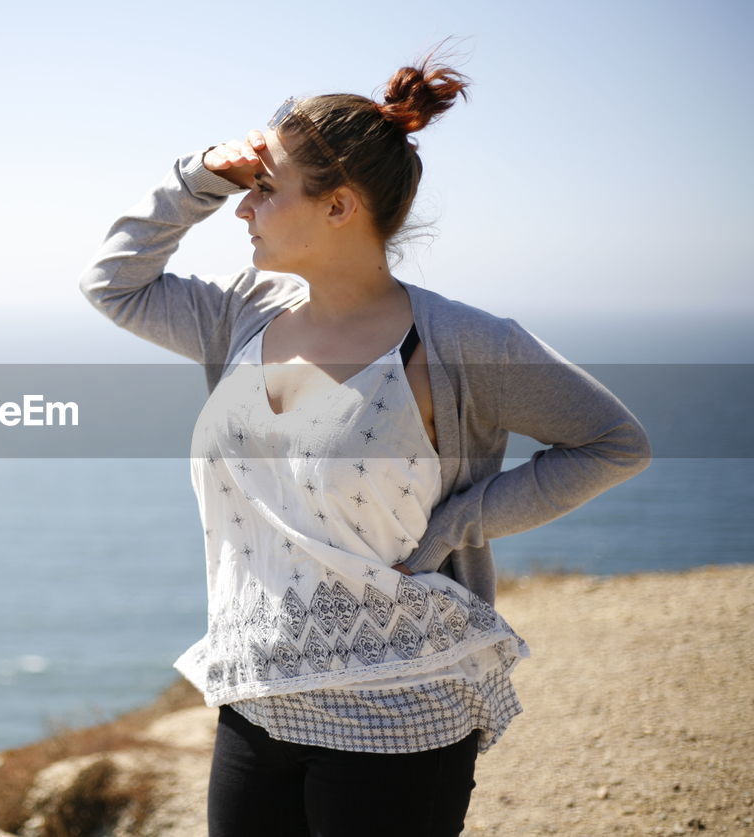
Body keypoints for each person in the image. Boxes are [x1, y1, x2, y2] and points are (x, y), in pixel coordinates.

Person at [78, 45, 651, 837]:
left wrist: (458, 522)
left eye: (262, 190)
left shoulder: (458, 342)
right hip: (257, 697)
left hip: (398, 702)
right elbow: (114, 281)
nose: (242, 208)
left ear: (340, 206)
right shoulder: (247, 312)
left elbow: (613, 442)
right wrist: (203, 172)